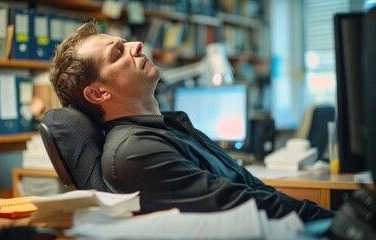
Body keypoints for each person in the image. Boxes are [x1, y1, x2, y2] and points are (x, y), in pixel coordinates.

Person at [50, 19, 335, 222]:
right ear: (98, 93)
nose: (136, 45)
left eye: (125, 43)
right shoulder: (134, 152)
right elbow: (247, 206)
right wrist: (334, 222)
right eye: (118, 52)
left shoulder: (170, 126)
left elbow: (252, 186)